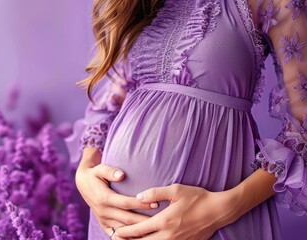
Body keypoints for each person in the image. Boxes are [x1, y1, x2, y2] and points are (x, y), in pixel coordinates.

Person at [65, 0, 307, 239]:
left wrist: (222, 210)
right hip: (112, 223)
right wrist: (85, 173)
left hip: (212, 224)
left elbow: (304, 127)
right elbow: (108, 102)